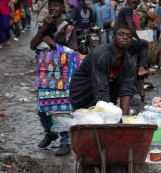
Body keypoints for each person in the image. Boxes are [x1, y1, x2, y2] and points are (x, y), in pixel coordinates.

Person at [30, 0, 77, 156]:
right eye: (51, 5)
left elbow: (73, 52)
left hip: (62, 75)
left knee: (61, 109)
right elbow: (32, 45)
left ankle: (65, 142)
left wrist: (52, 43)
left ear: (62, 8)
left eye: (56, 5)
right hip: (45, 73)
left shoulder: (69, 29)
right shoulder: (45, 26)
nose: (53, 8)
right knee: (42, 109)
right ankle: (50, 133)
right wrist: (42, 29)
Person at [70, 25, 136, 115]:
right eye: (121, 34)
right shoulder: (101, 55)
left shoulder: (129, 61)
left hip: (107, 92)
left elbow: (127, 88)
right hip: (84, 91)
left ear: (131, 41)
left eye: (129, 36)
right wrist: (107, 114)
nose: (125, 38)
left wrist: (124, 117)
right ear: (113, 37)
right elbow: (100, 88)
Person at [115, 0, 149, 76]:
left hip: (119, 37)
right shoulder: (128, 9)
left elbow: (131, 26)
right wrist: (139, 39)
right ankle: (142, 67)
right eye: (138, 3)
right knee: (144, 44)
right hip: (123, 39)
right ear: (134, 2)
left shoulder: (124, 9)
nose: (138, 5)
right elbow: (130, 27)